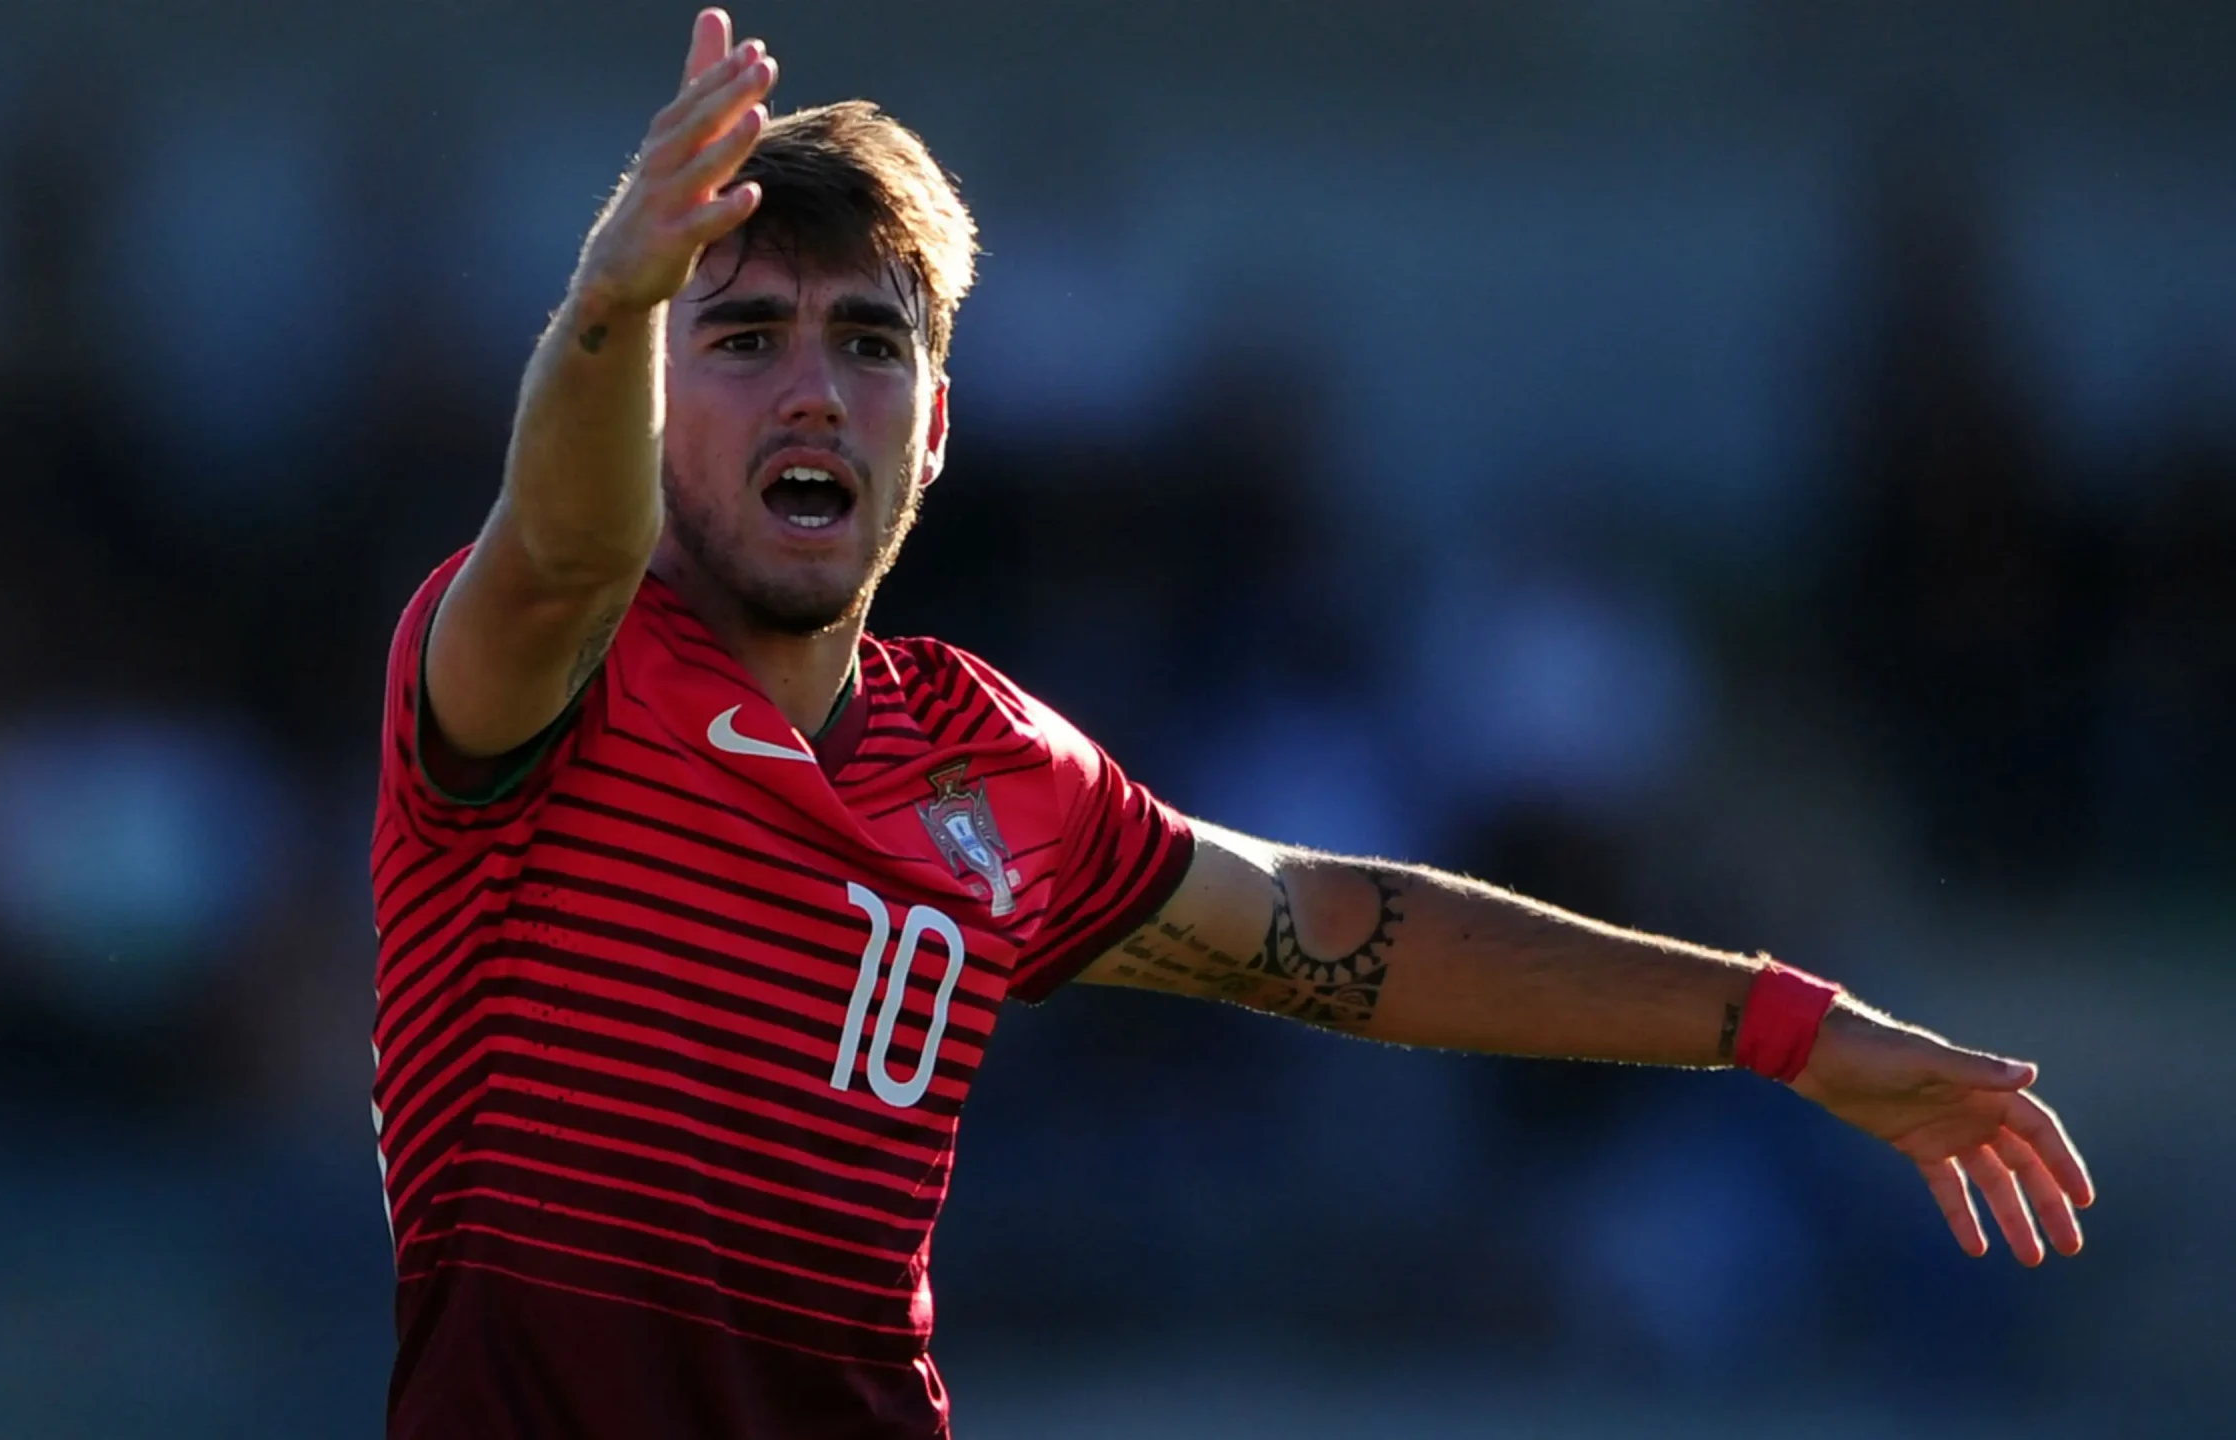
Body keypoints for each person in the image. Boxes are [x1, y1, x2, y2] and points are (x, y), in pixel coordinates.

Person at [368, 11, 2096, 1436]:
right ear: (651, 395)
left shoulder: (993, 769)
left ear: (938, 426)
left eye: (870, 345)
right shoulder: (542, 677)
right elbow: (565, 544)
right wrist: (609, 306)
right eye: (743, 337)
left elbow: (1333, 929)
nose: (815, 390)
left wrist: (1787, 1025)